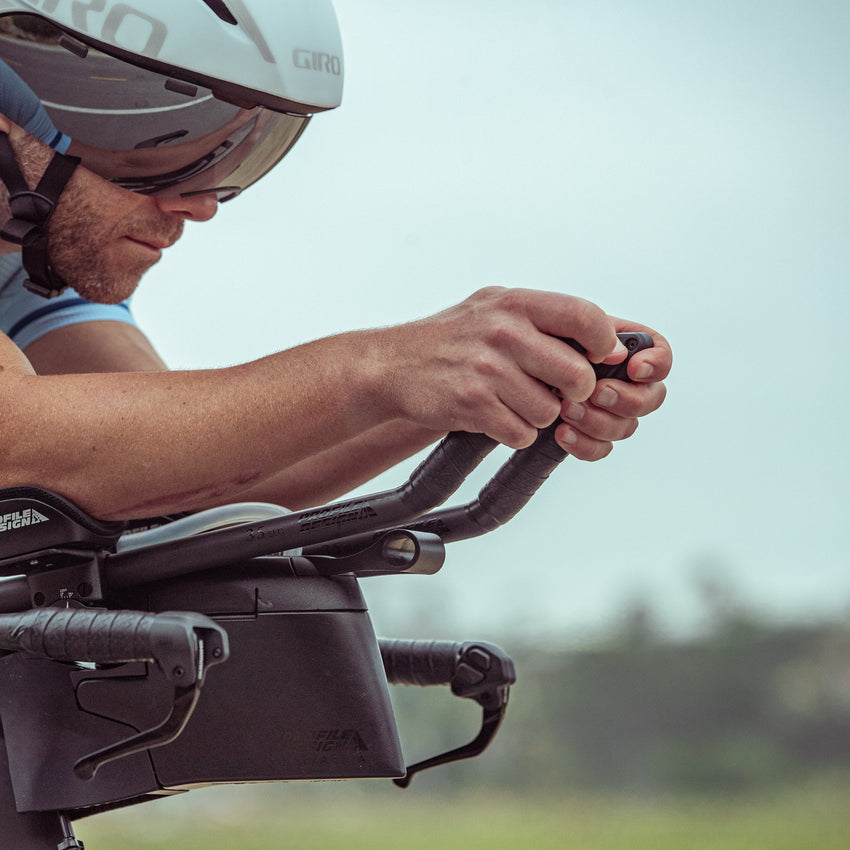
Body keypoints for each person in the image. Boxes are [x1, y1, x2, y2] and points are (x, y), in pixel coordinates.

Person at [0, 3, 670, 522]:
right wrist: (379, 366)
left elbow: (172, 477)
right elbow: (23, 448)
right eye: (158, 151)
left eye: (241, 157)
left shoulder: (31, 262)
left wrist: (468, 389)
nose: (201, 206)